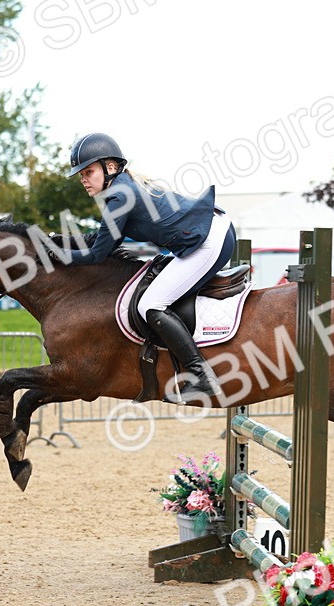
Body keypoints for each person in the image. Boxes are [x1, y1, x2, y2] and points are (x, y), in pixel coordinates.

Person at [62, 132, 235, 403]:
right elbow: (105, 240)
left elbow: (97, 255)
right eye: (81, 174)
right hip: (213, 229)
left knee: (150, 305)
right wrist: (62, 244)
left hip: (209, 240)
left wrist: (59, 256)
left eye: (88, 171)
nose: (83, 179)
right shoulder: (122, 188)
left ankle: (202, 376)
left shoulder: (119, 195)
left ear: (109, 167)